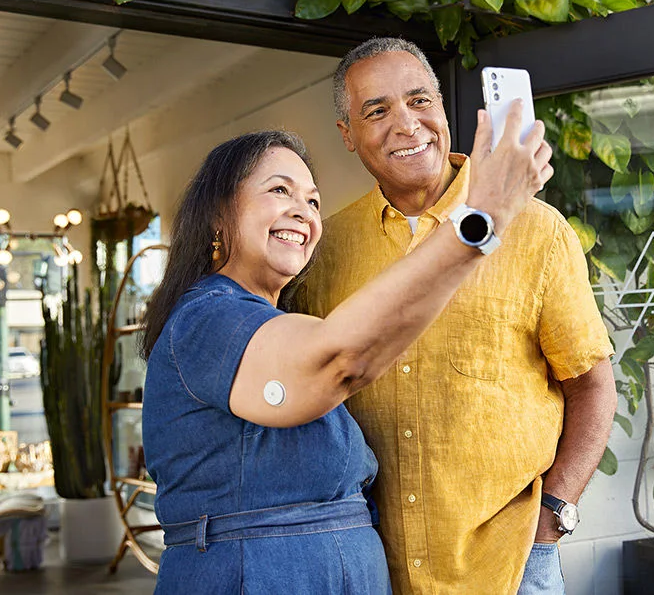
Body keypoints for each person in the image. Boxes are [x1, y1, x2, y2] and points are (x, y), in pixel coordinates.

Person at [141, 118, 551, 593]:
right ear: (218, 213)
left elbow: (373, 341)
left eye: (313, 201)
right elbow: (340, 358)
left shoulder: (274, 320)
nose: (303, 213)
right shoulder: (206, 320)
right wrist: (480, 216)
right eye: (280, 190)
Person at [298, 37, 618, 594]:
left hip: (512, 564)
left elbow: (592, 385)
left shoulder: (536, 230)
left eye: (419, 100)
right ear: (347, 134)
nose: (406, 124)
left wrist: (555, 513)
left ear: (444, 110)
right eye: (377, 111)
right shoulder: (325, 250)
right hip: (374, 567)